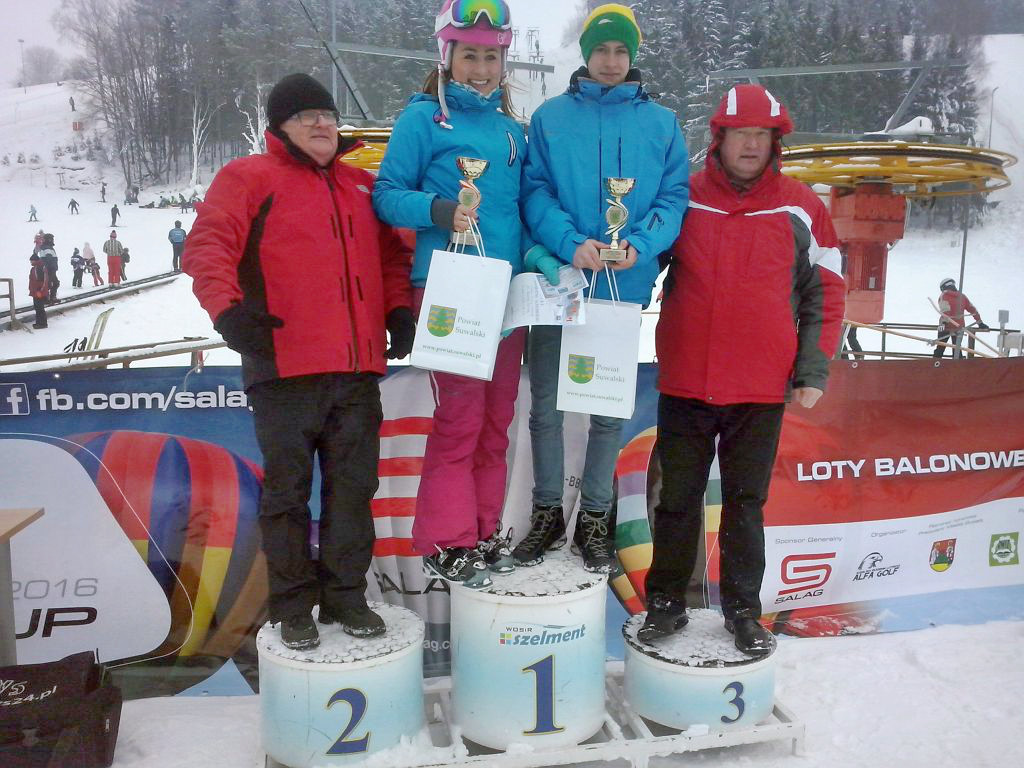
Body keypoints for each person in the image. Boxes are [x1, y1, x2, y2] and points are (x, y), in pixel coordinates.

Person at [184, 72, 414, 651]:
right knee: (287, 495)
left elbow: (392, 258)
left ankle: (346, 597)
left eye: (328, 116)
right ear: (280, 127)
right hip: (282, 368)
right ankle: (292, 606)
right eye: (307, 116)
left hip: (356, 372)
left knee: (353, 491)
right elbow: (208, 245)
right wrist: (227, 311)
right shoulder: (248, 177)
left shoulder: (362, 185)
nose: (321, 124)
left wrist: (399, 309)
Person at [639, 84, 846, 655]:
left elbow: (826, 293)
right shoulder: (683, 197)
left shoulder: (802, 206)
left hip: (760, 387)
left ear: (775, 141)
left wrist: (812, 369)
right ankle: (666, 603)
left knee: (745, 505)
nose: (751, 145)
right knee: (677, 501)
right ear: (719, 138)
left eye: (761, 135)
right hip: (686, 380)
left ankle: (743, 612)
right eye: (740, 134)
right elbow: (640, 263)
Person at [517, 4, 689, 574]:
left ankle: (594, 516)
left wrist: (641, 242)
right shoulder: (550, 118)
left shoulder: (661, 124)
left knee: (607, 408)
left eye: (620, 50)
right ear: (586, 53)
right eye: (601, 50)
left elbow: (674, 197)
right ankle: (547, 512)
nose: (611, 61)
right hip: (561, 282)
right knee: (546, 403)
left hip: (622, 284)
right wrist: (568, 243)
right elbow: (535, 192)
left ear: (632, 55)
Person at [372, 0, 531, 588]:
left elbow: (522, 210)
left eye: (491, 58)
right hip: (449, 291)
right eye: (469, 56)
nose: (481, 69)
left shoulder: (513, 131)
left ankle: (482, 532)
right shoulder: (422, 120)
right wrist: (439, 210)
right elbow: (386, 195)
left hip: (506, 296)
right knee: (460, 420)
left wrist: (539, 263)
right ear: (447, 56)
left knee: (497, 422)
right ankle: (446, 541)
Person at [932, 278, 986, 359]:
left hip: (946, 326)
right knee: (957, 349)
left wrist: (944, 323)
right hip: (959, 326)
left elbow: (945, 310)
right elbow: (972, 309)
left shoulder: (944, 296)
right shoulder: (962, 296)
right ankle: (958, 364)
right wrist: (980, 322)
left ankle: (935, 364)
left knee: (940, 347)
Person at [37, 233, 60, 303]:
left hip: (47, 268)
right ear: (49, 239)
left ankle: (47, 297)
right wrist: (51, 268)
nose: (53, 240)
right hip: (49, 269)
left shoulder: (45, 247)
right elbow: (49, 258)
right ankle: (50, 298)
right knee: (53, 283)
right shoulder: (47, 248)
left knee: (49, 283)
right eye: (52, 239)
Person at [28, 255, 49, 329]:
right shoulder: (34, 268)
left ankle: (43, 323)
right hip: (35, 292)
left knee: (40, 308)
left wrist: (40, 290)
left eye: (31, 261)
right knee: (37, 308)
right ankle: (39, 322)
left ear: (35, 260)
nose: (31, 262)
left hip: (39, 292)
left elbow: (44, 280)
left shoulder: (40, 267)